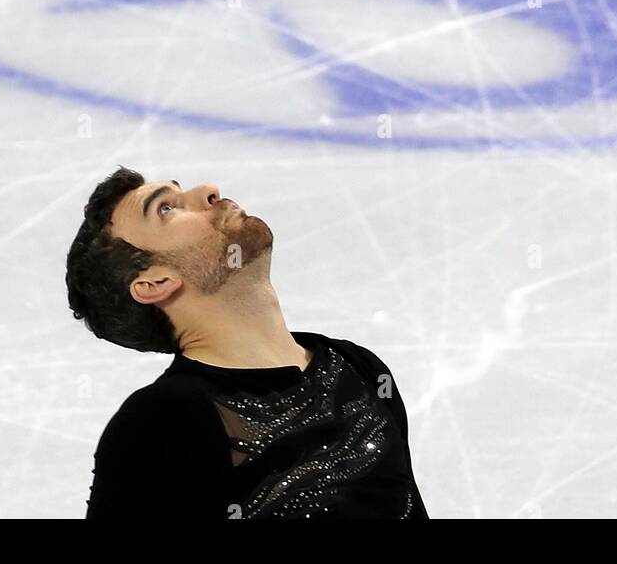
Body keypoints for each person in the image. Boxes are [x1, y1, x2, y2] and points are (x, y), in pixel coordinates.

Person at [65, 167, 428, 519]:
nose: (208, 190)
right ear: (155, 283)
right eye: (166, 209)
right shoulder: (163, 419)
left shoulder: (357, 368)